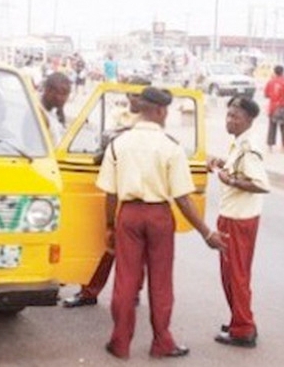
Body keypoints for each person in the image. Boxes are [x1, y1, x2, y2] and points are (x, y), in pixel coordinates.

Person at [96, 86, 224, 360]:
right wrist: (206, 233)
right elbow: (183, 199)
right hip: (159, 217)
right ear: (160, 110)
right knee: (161, 282)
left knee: (125, 280)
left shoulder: (119, 144)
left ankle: (119, 343)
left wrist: (110, 225)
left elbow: (110, 193)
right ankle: (162, 343)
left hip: (128, 215)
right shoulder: (171, 147)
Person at [61, 75, 151, 309]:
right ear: (127, 95)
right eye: (133, 94)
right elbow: (106, 142)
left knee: (136, 248)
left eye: (141, 95)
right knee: (103, 244)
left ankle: (133, 292)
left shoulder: (150, 120)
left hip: (138, 188)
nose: (136, 99)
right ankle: (89, 291)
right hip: (114, 183)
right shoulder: (117, 115)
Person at [208, 96, 269, 349]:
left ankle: (243, 329)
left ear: (249, 120)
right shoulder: (238, 144)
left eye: (236, 116)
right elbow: (239, 169)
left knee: (236, 275)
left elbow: (260, 184)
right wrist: (223, 165)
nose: (229, 120)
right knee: (230, 274)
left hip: (238, 219)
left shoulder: (248, 149)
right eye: (228, 115)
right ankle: (239, 320)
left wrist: (229, 180)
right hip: (233, 215)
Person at [264, 65, 284, 153]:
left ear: (274, 72)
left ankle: (270, 147)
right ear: (283, 72)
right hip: (283, 107)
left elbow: (266, 95)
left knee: (272, 127)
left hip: (273, 107)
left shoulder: (270, 82)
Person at [40, 72, 72, 144]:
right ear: (48, 91)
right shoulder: (38, 115)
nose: (65, 98)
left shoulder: (56, 111)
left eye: (67, 94)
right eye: (62, 93)